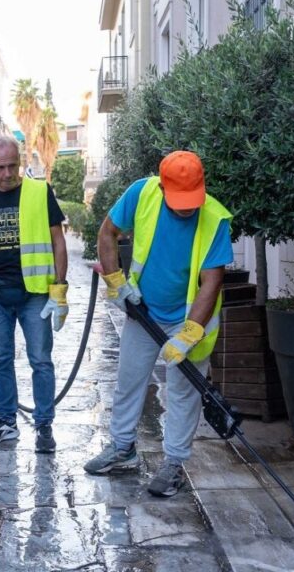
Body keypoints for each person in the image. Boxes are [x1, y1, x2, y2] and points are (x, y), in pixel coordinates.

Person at [83, 150, 233, 497]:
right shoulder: (142, 193)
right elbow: (107, 233)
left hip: (189, 317)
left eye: (192, 199)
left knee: (183, 393)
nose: (186, 207)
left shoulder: (214, 217)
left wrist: (189, 334)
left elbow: (212, 281)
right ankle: (123, 450)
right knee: (128, 380)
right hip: (145, 311)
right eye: (178, 199)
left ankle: (174, 465)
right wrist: (116, 282)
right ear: (163, 186)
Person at [0, 135, 68, 454]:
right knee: (1, 361)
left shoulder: (39, 192)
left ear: (19, 161)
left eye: (11, 166)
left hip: (34, 294)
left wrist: (59, 292)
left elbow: (58, 241)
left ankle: (44, 424)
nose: (6, 174)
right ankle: (6, 422)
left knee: (40, 360)